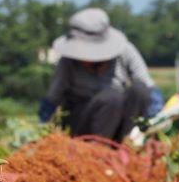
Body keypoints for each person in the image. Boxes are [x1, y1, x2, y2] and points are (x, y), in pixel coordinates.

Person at [38, 8, 163, 141]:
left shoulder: (125, 51)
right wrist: (43, 128)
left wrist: (156, 119)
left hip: (120, 123)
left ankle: (126, 145)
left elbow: (149, 90)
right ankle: (98, 149)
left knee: (139, 90)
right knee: (111, 98)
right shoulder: (68, 62)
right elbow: (52, 98)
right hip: (84, 122)